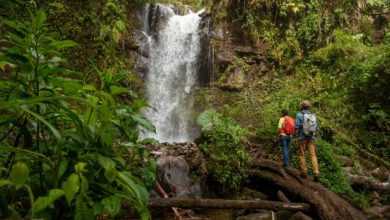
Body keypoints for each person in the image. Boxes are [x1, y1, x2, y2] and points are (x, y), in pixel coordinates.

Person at [295, 100, 320, 181]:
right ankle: (316, 172)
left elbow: (297, 127)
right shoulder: (313, 116)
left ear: (302, 106)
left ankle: (304, 172)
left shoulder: (299, 115)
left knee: (302, 155)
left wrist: (296, 135)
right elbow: (317, 128)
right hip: (311, 138)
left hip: (302, 138)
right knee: (313, 155)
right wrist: (314, 136)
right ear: (309, 107)